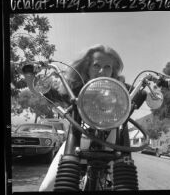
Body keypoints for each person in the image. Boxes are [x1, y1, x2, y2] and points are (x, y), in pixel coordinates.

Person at [39, 44, 146, 191]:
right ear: (87, 68)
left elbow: (143, 94)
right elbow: (45, 91)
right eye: (96, 65)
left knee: (125, 185)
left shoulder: (121, 88)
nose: (102, 71)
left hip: (114, 142)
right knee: (46, 188)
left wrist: (154, 93)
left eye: (107, 67)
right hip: (77, 138)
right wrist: (33, 79)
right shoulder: (75, 87)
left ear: (113, 70)